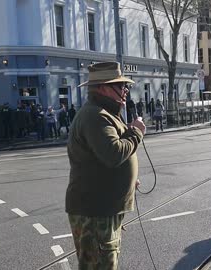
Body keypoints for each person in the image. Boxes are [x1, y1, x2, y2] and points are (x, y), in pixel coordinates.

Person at [66, 62, 146, 269]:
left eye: (124, 86)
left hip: (102, 209)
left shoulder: (104, 112)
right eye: (120, 86)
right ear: (102, 88)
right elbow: (113, 153)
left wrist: (126, 180)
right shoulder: (96, 115)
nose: (125, 90)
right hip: (96, 212)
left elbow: (102, 158)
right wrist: (136, 131)